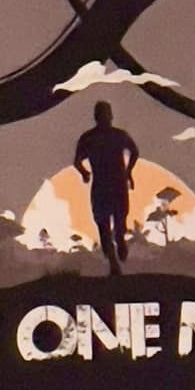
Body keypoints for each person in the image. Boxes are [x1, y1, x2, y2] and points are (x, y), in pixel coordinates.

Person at [74, 101, 139, 274]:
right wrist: (128, 172)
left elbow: (77, 161)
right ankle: (113, 258)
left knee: (112, 223)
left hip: (109, 184)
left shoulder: (93, 137)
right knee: (107, 223)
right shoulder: (110, 136)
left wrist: (84, 173)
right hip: (111, 184)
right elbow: (134, 151)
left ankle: (117, 246)